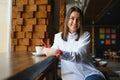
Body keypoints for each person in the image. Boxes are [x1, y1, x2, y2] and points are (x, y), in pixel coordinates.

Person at [43, 6, 106, 80]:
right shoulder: (58, 37)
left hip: (89, 73)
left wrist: (59, 52)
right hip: (70, 76)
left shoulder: (85, 35)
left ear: (81, 22)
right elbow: (52, 50)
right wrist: (46, 51)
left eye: (78, 20)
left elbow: (79, 56)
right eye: (72, 18)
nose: (75, 22)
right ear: (67, 20)